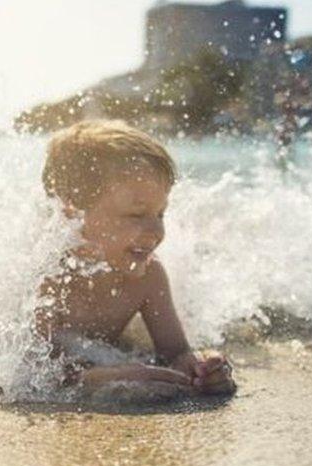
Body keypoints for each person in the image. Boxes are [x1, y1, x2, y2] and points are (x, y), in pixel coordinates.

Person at [35, 120, 236, 396]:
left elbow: (175, 352)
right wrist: (110, 379)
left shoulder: (148, 278)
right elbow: (31, 376)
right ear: (72, 212)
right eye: (136, 215)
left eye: (160, 214)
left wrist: (202, 369)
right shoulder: (44, 280)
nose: (156, 231)